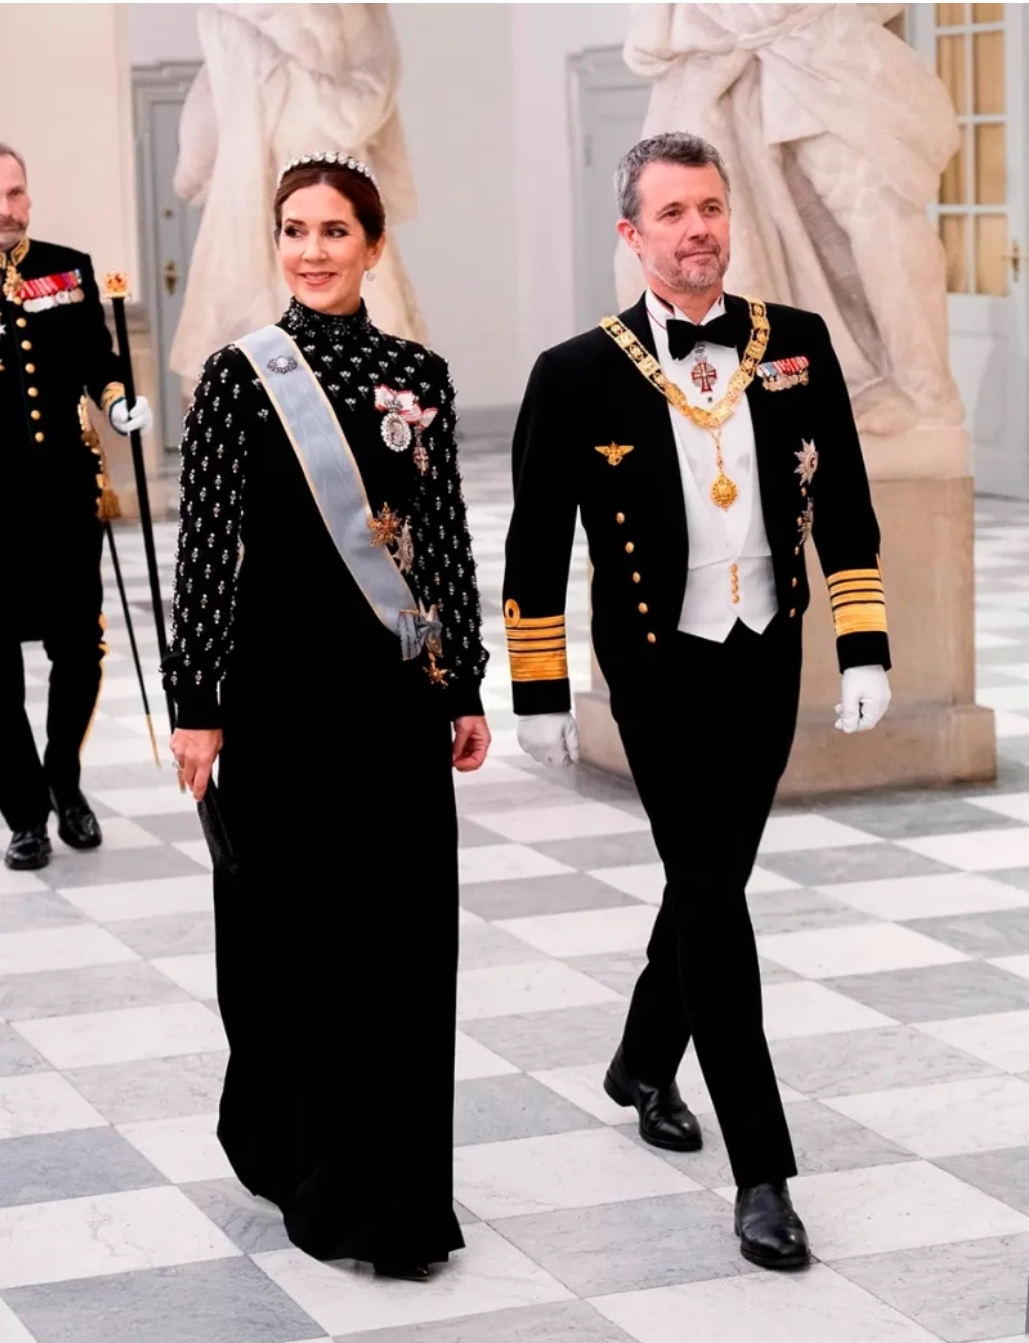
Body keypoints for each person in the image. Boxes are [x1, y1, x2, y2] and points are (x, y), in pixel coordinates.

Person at [503, 132, 891, 1271]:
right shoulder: (573, 372)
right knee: (719, 907)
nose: (697, 229)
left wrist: (862, 646)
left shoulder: (795, 342)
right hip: (657, 666)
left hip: (766, 650)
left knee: (705, 877)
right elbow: (536, 541)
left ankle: (639, 1058)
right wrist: (538, 686)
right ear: (632, 234)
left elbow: (846, 504)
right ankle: (762, 1173)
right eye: (671, 212)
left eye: (709, 207)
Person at [164, 151, 490, 1280]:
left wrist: (463, 682)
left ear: (373, 244)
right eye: (295, 230)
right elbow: (205, 551)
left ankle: (394, 1197)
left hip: (393, 705)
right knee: (294, 941)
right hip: (278, 708)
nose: (313, 250)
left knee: (402, 943)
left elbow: (442, 538)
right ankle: (298, 1146)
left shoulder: (419, 374)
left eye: (335, 230)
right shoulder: (238, 376)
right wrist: (197, 705)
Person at [0, 144, 153, 871]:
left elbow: (99, 359)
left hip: (64, 493)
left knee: (79, 647)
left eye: (16, 193)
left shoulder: (67, 268)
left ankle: (64, 776)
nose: (7, 209)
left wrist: (117, 401)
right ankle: (24, 812)